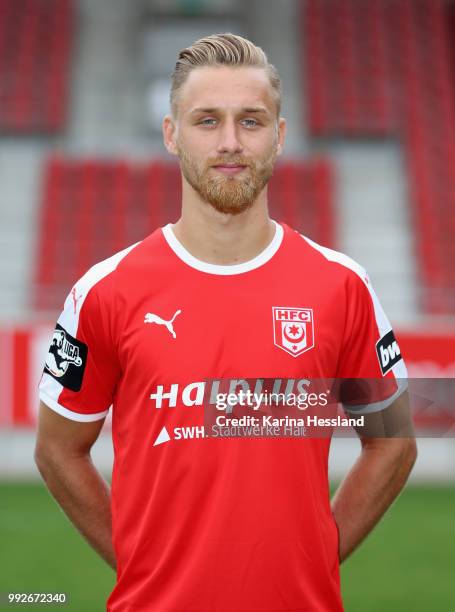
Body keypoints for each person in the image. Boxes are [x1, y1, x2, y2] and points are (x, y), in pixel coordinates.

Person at [35, 33, 417, 612]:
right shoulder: (104, 291)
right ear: (172, 134)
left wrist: (316, 553)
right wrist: (144, 561)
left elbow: (393, 442)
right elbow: (57, 448)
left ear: (280, 137)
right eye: (207, 121)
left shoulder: (342, 285)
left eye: (252, 121)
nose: (231, 142)